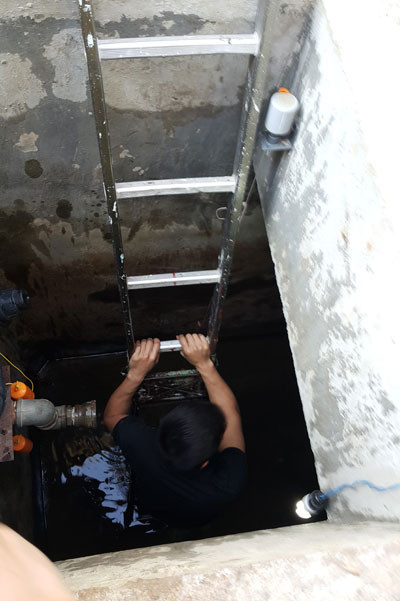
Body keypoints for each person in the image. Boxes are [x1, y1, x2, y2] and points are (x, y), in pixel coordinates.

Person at [104, 333, 247, 528]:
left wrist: (135, 374)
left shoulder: (140, 444)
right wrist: (204, 365)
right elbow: (231, 416)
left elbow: (112, 416)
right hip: (196, 519)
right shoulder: (228, 482)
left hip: (151, 510)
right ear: (205, 463)